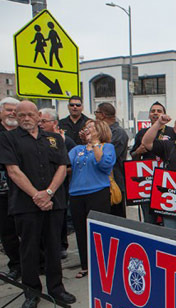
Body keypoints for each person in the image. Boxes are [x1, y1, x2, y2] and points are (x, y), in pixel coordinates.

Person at [0, 101, 76, 308]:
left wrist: (49, 193)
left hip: (54, 202)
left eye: (30, 115)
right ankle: (32, 292)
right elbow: (13, 171)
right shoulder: (8, 138)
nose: (25, 118)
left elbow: (62, 166)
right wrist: (37, 196)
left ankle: (56, 288)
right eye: (21, 114)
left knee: (54, 247)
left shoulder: (53, 139)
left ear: (37, 116)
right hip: (26, 205)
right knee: (29, 249)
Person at [69, 120, 115, 279]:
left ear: (99, 130)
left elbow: (104, 165)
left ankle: (104, 264)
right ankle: (85, 264)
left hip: (97, 192)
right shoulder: (77, 149)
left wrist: (95, 144)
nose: (87, 130)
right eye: (86, 128)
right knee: (81, 231)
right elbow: (66, 165)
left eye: (91, 128)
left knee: (99, 231)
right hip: (76, 194)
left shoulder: (107, 147)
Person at [130, 101, 175, 224]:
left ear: (164, 115)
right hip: (147, 182)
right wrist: (138, 151)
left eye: (159, 111)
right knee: (149, 221)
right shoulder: (141, 133)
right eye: (153, 111)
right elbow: (133, 157)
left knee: (168, 220)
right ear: (149, 115)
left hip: (167, 181)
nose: (156, 113)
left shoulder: (173, 132)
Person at [40, 108, 76, 258]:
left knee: (59, 220)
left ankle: (60, 246)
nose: (40, 124)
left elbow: (71, 165)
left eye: (44, 121)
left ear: (54, 123)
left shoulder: (65, 141)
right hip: (40, 189)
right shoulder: (37, 140)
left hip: (60, 188)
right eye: (39, 121)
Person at [95, 102, 128, 217]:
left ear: (102, 115)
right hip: (100, 181)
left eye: (96, 113)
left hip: (114, 181)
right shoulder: (102, 132)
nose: (95, 116)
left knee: (116, 218)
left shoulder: (118, 133)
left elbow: (108, 157)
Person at [0, 97, 21, 281]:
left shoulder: (25, 133)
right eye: (8, 110)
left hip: (25, 191)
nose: (12, 113)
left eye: (15, 110)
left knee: (30, 231)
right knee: (8, 232)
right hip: (3, 193)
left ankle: (36, 263)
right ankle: (15, 265)